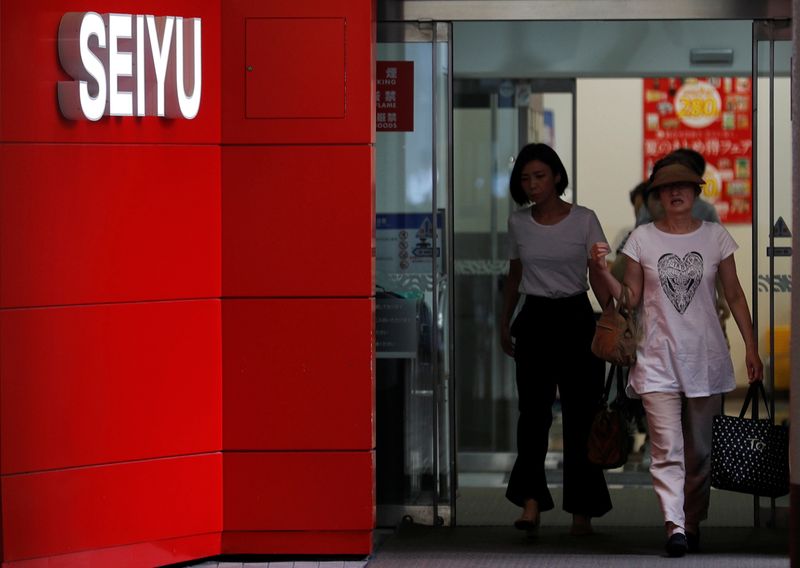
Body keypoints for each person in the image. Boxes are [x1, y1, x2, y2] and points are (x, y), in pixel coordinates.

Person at [590, 162, 763, 557]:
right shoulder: (641, 240)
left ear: (696, 192)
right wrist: (599, 271)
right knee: (667, 449)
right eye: (666, 189)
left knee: (700, 452)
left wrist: (751, 348)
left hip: (706, 356)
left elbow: (734, 295)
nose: (675, 193)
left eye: (684, 186)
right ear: (656, 198)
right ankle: (675, 526)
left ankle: (694, 518)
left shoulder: (715, 237)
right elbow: (629, 298)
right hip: (656, 357)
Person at [500, 143, 612, 537]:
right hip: (533, 320)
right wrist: (503, 322)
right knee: (533, 415)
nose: (532, 184)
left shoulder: (583, 219)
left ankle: (582, 509)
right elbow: (514, 276)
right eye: (526, 178)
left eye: (540, 176)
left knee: (582, 415)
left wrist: (614, 315)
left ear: (557, 177)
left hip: (577, 317)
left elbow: (598, 272)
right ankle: (531, 502)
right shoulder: (518, 223)